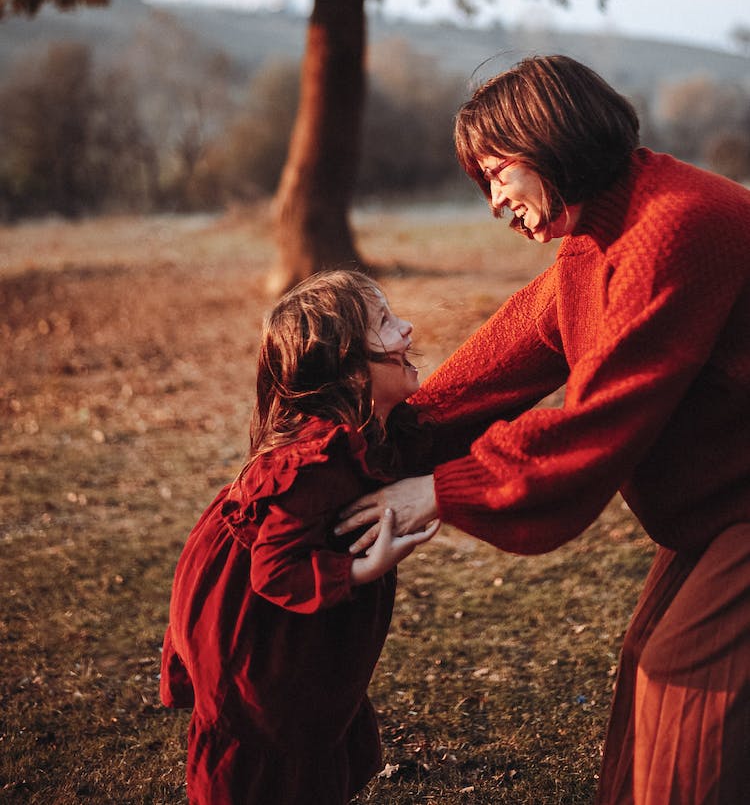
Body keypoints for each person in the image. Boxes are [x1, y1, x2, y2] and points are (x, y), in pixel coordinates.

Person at [338, 55, 750, 803]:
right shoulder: (600, 236)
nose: (495, 203)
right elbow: (507, 354)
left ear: (548, 140)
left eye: (497, 174)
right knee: (647, 659)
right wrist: (389, 435)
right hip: (721, 509)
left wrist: (439, 486)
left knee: (687, 672)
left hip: (740, 508)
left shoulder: (674, 225)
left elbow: (595, 421)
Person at [160, 269, 439, 805]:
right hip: (257, 633)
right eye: (385, 323)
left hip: (295, 617)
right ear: (347, 370)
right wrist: (363, 569)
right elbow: (275, 570)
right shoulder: (313, 465)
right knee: (268, 747)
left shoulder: (366, 434)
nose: (407, 329)